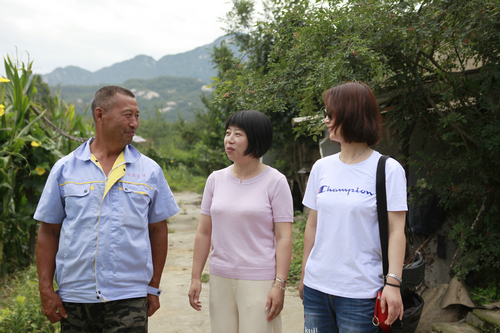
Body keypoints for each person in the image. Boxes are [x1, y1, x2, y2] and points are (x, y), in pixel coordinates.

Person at [34, 85, 180, 332]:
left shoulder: (150, 171)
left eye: (137, 116)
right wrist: (46, 290)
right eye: (127, 115)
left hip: (129, 296)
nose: (134, 123)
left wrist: (153, 286)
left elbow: (158, 230)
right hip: (75, 298)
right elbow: (48, 231)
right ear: (100, 115)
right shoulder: (65, 169)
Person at [299, 82, 407, 332]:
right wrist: (305, 273)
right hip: (316, 289)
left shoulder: (387, 169)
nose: (326, 120)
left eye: (330, 114)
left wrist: (393, 284)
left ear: (351, 115)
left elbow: (396, 231)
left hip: (360, 293)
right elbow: (312, 225)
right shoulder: (321, 167)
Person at [188, 110, 293, 333]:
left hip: (259, 279)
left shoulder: (275, 181)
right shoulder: (215, 179)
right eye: (228, 132)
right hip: (220, 276)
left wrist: (279, 285)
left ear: (255, 139)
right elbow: (204, 232)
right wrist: (195, 277)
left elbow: (284, 237)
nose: (230, 139)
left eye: (238, 134)